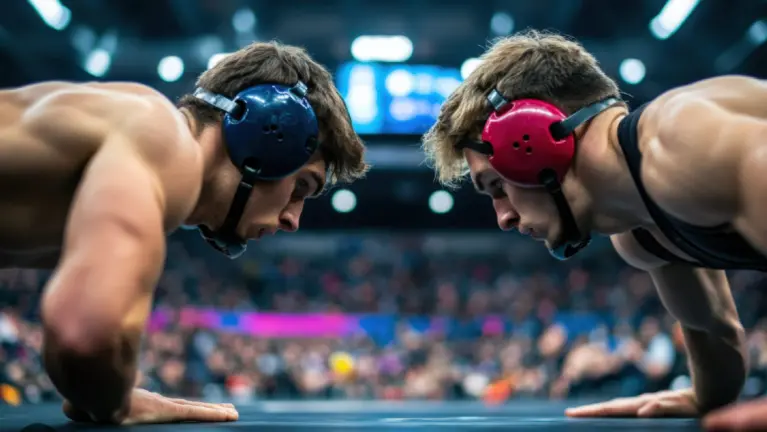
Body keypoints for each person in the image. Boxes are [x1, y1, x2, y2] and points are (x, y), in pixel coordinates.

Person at [0, 41, 368, 424]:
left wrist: (100, 388)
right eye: (301, 187)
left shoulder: (139, 132)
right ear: (267, 133)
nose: (293, 219)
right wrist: (115, 400)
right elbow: (84, 337)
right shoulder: (163, 141)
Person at [422, 29, 767, 430]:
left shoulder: (683, 140)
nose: (504, 218)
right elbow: (715, 329)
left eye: (497, 186)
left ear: (530, 140)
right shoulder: (640, 235)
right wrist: (704, 398)